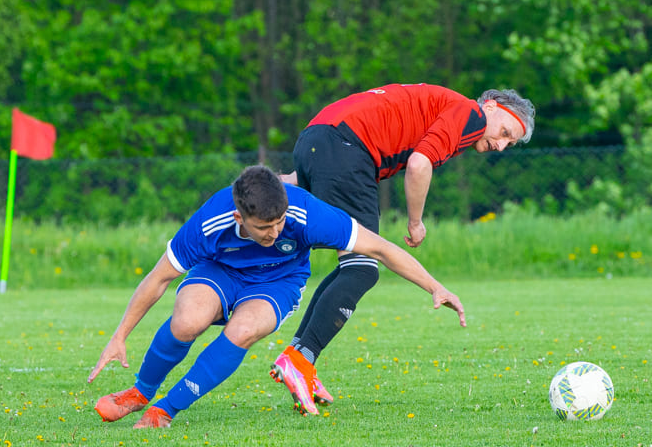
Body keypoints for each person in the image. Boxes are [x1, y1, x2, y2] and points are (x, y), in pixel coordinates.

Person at [87, 165, 466, 427]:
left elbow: (380, 248)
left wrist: (435, 286)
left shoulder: (308, 213)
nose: (275, 232)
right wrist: (120, 336)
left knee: (245, 328)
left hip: (278, 282)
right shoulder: (210, 221)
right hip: (220, 271)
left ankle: (165, 411)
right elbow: (157, 279)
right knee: (187, 321)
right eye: (264, 227)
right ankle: (140, 392)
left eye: (279, 222)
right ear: (239, 217)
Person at [272, 83, 535, 415]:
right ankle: (300, 358)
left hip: (314, 138)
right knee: (363, 269)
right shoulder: (471, 115)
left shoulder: (445, 108)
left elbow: (309, 169)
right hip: (348, 146)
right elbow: (419, 164)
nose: (500, 145)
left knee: (352, 268)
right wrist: (415, 221)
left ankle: (300, 358)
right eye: (505, 132)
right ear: (492, 106)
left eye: (510, 143)